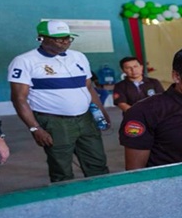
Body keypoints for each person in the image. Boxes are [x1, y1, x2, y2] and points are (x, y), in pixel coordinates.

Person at [8, 20, 110, 182]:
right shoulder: (24, 61)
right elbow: (19, 98)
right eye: (58, 38)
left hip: (86, 119)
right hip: (55, 122)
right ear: (41, 38)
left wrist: (101, 113)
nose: (65, 42)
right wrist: (35, 128)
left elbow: (89, 88)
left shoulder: (79, 57)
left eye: (68, 38)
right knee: (61, 169)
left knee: (97, 163)